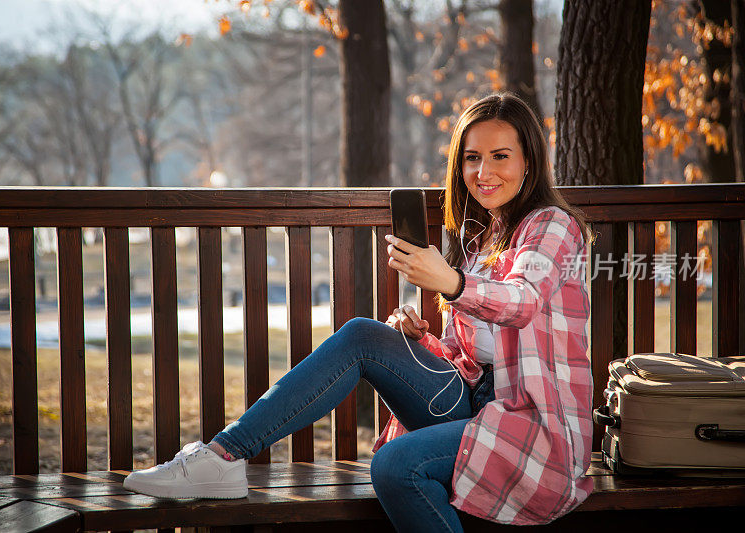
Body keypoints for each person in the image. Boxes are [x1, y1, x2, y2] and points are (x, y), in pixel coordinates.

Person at [123, 92, 596, 531]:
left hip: (531, 422)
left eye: (500, 156)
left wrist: (450, 283)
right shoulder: (481, 240)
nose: (483, 172)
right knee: (364, 336)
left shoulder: (551, 225)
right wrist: (422, 340)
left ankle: (221, 459)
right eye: (472, 157)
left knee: (395, 466)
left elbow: (523, 300)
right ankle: (223, 456)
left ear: (529, 162)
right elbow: (469, 354)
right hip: (473, 401)